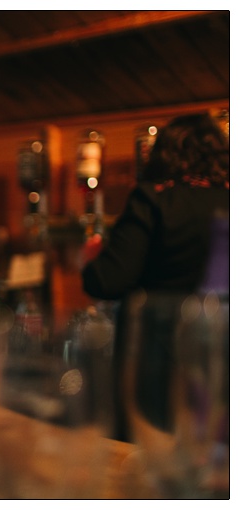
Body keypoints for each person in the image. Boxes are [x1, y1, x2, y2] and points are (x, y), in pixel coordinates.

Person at [82, 112, 229, 441]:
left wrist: (94, 259)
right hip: (222, 361)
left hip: (159, 366)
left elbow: (107, 281)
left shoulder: (154, 198)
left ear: (164, 154)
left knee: (149, 472)